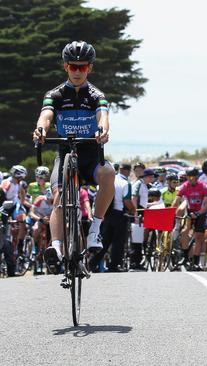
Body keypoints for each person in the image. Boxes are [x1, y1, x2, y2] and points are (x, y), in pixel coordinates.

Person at [33, 41, 115, 273]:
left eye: (82, 67)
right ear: (65, 67)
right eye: (72, 66)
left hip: (90, 155)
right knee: (59, 195)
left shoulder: (96, 95)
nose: (77, 71)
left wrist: (103, 129)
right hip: (65, 152)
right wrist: (41, 130)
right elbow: (46, 115)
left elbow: (103, 117)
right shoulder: (55, 94)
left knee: (109, 172)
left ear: (90, 68)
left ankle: (95, 229)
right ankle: (56, 247)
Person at [171, 167, 207, 270]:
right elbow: (176, 200)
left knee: (198, 236)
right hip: (190, 211)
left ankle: (196, 261)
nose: (190, 179)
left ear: (197, 177)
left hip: (201, 212)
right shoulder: (184, 186)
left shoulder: (204, 187)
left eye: (192, 177)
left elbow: (206, 204)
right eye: (188, 177)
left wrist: (199, 213)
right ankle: (185, 256)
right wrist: (171, 211)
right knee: (184, 232)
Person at [130, 168, 155, 270]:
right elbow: (134, 198)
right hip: (138, 212)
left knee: (140, 237)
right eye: (151, 177)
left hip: (142, 211)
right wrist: (135, 214)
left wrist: (152, 204)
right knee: (137, 238)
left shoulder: (144, 185)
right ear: (146, 176)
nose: (152, 179)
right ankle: (135, 262)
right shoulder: (139, 184)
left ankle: (138, 260)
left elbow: (143, 201)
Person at [28, 188, 54, 275]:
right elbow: (31, 213)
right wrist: (40, 219)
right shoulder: (39, 199)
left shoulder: (56, 201)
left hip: (50, 221)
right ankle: (35, 247)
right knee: (36, 229)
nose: (51, 202)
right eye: (49, 200)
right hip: (39, 219)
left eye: (52, 200)